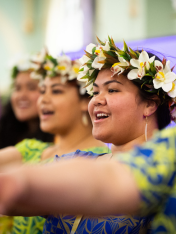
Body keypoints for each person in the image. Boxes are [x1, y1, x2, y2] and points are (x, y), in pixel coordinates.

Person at [0, 35, 176, 234]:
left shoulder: (175, 177)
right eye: (94, 93)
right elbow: (14, 197)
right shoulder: (76, 160)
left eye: (112, 90)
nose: (95, 101)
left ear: (150, 104)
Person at [0, 49, 108, 234]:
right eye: (42, 91)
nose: (43, 100)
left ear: (85, 101)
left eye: (56, 91)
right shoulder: (32, 147)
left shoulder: (100, 160)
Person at [0, 54, 53, 149]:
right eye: (17, 88)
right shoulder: (6, 132)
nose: (21, 95)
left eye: (31, 88)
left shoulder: (57, 140)